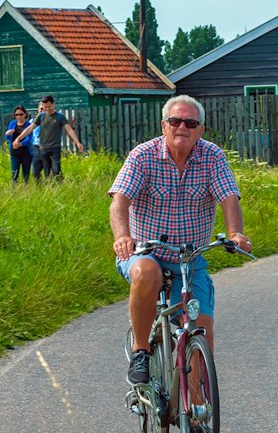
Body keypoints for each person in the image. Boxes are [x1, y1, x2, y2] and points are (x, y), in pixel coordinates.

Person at [110, 95, 250, 387]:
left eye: (190, 122)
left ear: (200, 129)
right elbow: (120, 200)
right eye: (175, 121)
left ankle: (197, 414)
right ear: (164, 125)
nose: (182, 127)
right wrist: (123, 236)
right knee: (148, 272)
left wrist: (235, 233)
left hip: (189, 259)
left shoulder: (212, 156)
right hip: (146, 252)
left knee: (201, 332)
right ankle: (141, 351)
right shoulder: (143, 156)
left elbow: (228, 197)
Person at [30, 95, 84, 179]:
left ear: (53, 104)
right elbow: (30, 128)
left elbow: (69, 129)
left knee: (56, 168)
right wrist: (19, 138)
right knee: (46, 171)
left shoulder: (59, 116)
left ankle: (60, 183)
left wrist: (77, 142)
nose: (47, 109)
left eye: (49, 106)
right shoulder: (40, 117)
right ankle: (50, 187)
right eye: (45, 107)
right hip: (42, 148)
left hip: (55, 147)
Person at [4, 104, 35, 184]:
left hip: (26, 152)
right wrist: (7, 134)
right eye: (16, 115)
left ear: (25, 114)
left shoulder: (28, 125)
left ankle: (26, 189)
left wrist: (21, 144)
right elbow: (8, 138)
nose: (19, 116)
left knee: (26, 174)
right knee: (14, 173)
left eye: (21, 114)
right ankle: (14, 189)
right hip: (15, 151)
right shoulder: (12, 124)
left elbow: (29, 138)